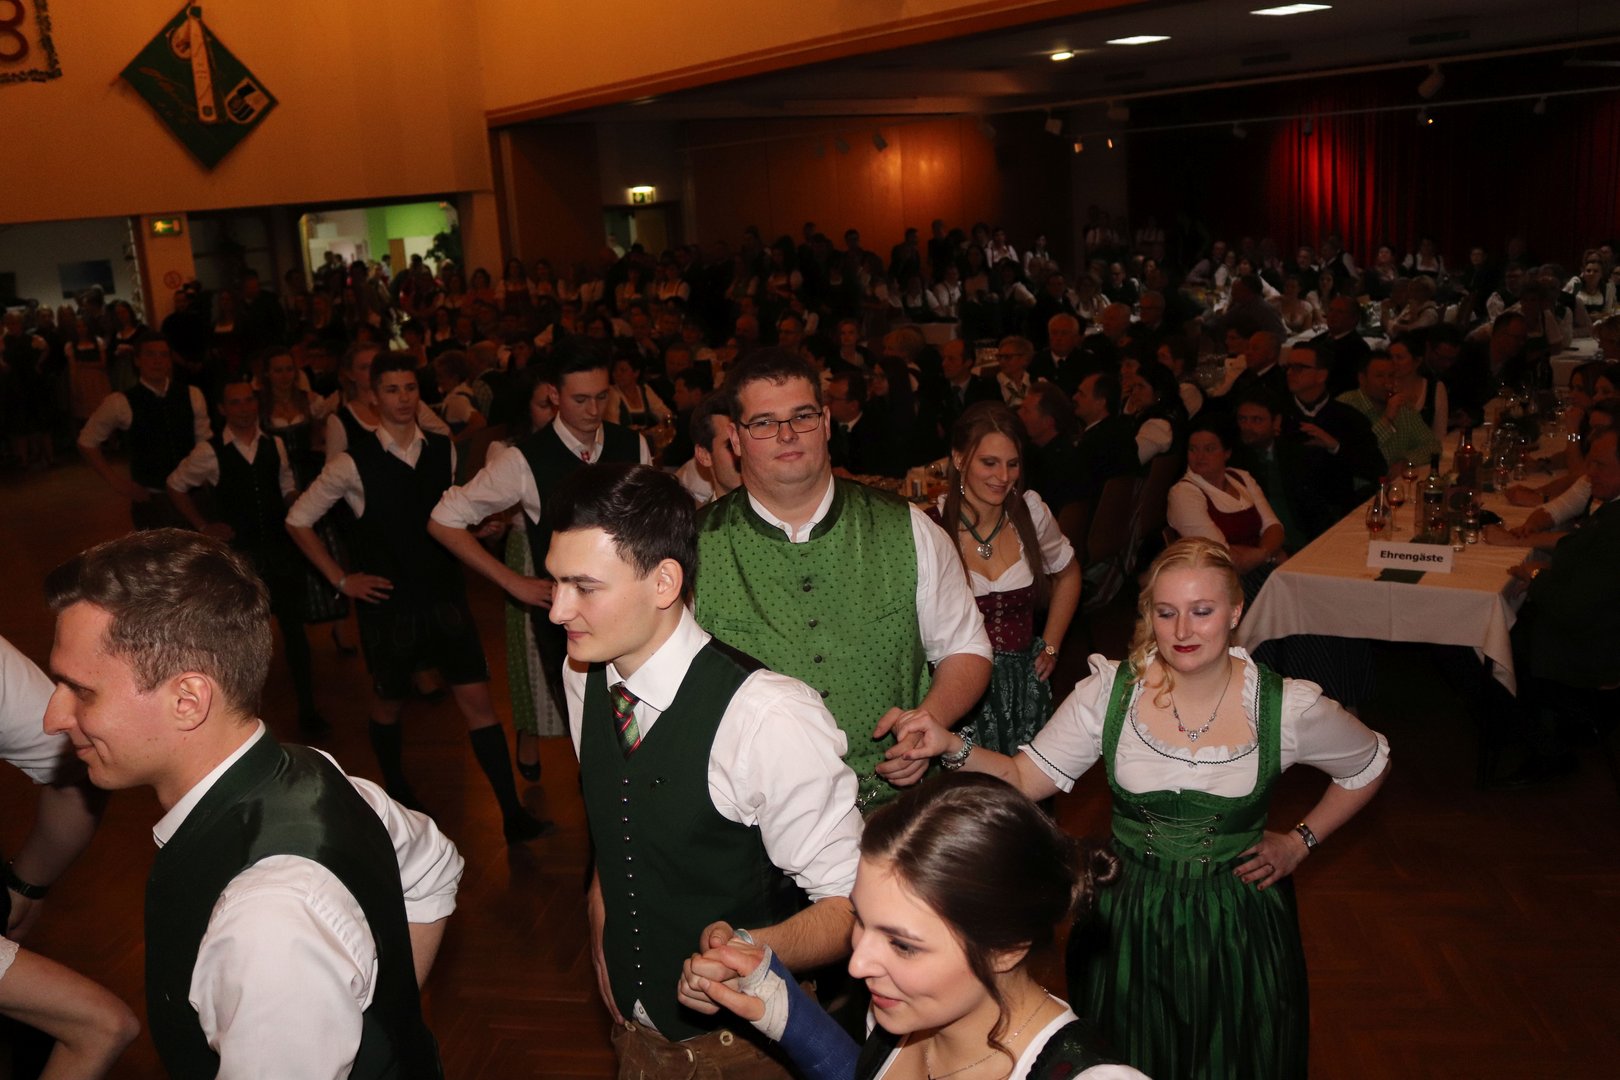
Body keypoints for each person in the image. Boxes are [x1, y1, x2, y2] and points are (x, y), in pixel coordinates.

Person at [884, 538, 1390, 1079]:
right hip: (1129, 917)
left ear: (1235, 611)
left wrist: (1299, 842)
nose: (1183, 631)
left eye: (1202, 611)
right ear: (1150, 614)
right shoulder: (1112, 694)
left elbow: (1369, 762)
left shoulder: (1285, 706)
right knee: (1127, 1055)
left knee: (1234, 1057)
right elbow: (1022, 777)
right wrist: (949, 744)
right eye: (1167, 613)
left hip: (1237, 923)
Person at [42, 529, 463, 1078]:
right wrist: (383, 1019)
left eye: (81, 691)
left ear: (188, 700)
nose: (53, 717)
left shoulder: (267, 920)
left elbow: (434, 870)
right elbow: (434, 865)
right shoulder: (314, 769)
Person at [545, 463, 862, 1079]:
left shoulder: (767, 716)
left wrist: (750, 951)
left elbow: (851, 906)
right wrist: (600, 907)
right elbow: (620, 813)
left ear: (664, 581)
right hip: (633, 1035)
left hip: (744, 1049)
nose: (558, 611)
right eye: (555, 582)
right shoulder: (582, 673)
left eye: (584, 587)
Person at [688, 775, 1147, 1080]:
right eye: (861, 920)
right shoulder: (898, 1014)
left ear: (1007, 948)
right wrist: (786, 1014)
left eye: (903, 945)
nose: (858, 965)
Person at [692, 349, 991, 811]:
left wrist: (928, 719)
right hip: (754, 817)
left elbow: (965, 647)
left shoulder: (907, 528)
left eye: (802, 416)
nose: (787, 434)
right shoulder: (691, 549)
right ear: (734, 437)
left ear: (827, 422)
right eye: (764, 423)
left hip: (897, 810)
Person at [286, 352, 548, 843]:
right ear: (373, 397)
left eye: (410, 388)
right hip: (390, 604)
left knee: (478, 703)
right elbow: (298, 519)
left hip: (445, 597)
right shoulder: (351, 462)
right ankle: (399, 791)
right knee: (388, 703)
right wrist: (341, 580)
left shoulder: (443, 449)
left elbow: (445, 515)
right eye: (392, 390)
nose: (403, 398)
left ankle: (511, 813)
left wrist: (480, 528)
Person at [427, 343, 652, 730]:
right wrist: (511, 581)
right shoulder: (522, 459)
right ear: (554, 395)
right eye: (580, 399)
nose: (593, 410)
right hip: (571, 628)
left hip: (633, 615)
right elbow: (442, 520)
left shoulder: (632, 444)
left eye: (602, 397)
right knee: (589, 737)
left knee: (643, 732)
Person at [167, 378, 325, 736]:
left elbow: (285, 485)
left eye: (249, 401)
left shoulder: (275, 444)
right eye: (235, 402)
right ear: (223, 409)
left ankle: (308, 709)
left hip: (280, 551)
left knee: (295, 631)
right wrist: (203, 526)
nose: (244, 408)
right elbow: (175, 484)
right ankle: (244, 723)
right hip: (241, 560)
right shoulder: (209, 452)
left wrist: (300, 505)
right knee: (244, 641)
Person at [934, 404, 1080, 755]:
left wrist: (1051, 644)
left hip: (1024, 692)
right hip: (958, 694)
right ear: (959, 459)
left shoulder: (1030, 514)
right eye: (989, 463)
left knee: (1026, 786)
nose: (1003, 476)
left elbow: (1069, 574)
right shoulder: (933, 527)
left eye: (1012, 464)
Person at [77, 331, 212, 529]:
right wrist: (117, 482)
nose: (157, 361)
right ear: (137, 360)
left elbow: (204, 441)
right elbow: (87, 441)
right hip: (152, 500)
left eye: (163, 355)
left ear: (170, 361)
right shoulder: (120, 402)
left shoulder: (192, 394)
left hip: (194, 496)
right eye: (150, 354)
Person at [1170, 413, 1288, 602]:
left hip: (1258, 571)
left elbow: (1274, 527)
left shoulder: (1241, 477)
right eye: (1193, 449)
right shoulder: (1183, 493)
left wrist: (1260, 554)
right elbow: (1221, 557)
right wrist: (1270, 554)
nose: (1200, 456)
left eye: (1209, 449)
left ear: (1227, 452)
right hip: (1219, 585)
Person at [1337, 350, 1442, 472]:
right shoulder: (1346, 406)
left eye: (1391, 375)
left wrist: (1406, 462)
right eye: (1380, 376)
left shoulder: (1401, 406)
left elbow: (1433, 446)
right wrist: (1387, 419)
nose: (1387, 382)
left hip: (1396, 481)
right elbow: (1358, 452)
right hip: (1362, 482)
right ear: (1362, 378)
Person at [676, 390, 743, 506]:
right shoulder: (701, 518)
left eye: (747, 441)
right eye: (731, 445)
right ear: (704, 455)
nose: (744, 452)